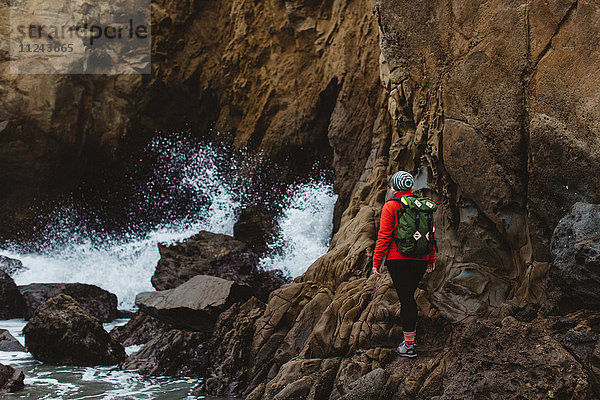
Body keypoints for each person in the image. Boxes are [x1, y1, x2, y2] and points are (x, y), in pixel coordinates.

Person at [372, 171, 436, 358]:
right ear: (411, 187)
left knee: (407, 300)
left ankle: (409, 345)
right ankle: (408, 340)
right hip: (420, 260)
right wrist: (430, 258)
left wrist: (376, 262)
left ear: (394, 187)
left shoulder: (391, 206)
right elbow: (431, 235)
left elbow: (383, 236)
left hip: (397, 259)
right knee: (408, 298)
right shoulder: (422, 205)